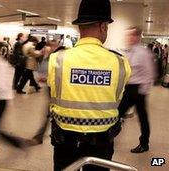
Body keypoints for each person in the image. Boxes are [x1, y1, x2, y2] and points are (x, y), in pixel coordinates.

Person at [48, 0, 131, 170]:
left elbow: (52, 91)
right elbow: (118, 97)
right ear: (103, 26)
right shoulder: (121, 63)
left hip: (65, 141)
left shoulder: (58, 58)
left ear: (80, 27)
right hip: (101, 143)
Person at [118, 27, 156, 153]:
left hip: (138, 89)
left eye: (131, 36)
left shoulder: (143, 53)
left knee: (140, 117)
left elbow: (150, 73)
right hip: (129, 88)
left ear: (138, 37)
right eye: (127, 35)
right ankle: (109, 136)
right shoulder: (128, 51)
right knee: (120, 113)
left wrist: (142, 92)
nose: (128, 38)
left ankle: (144, 144)